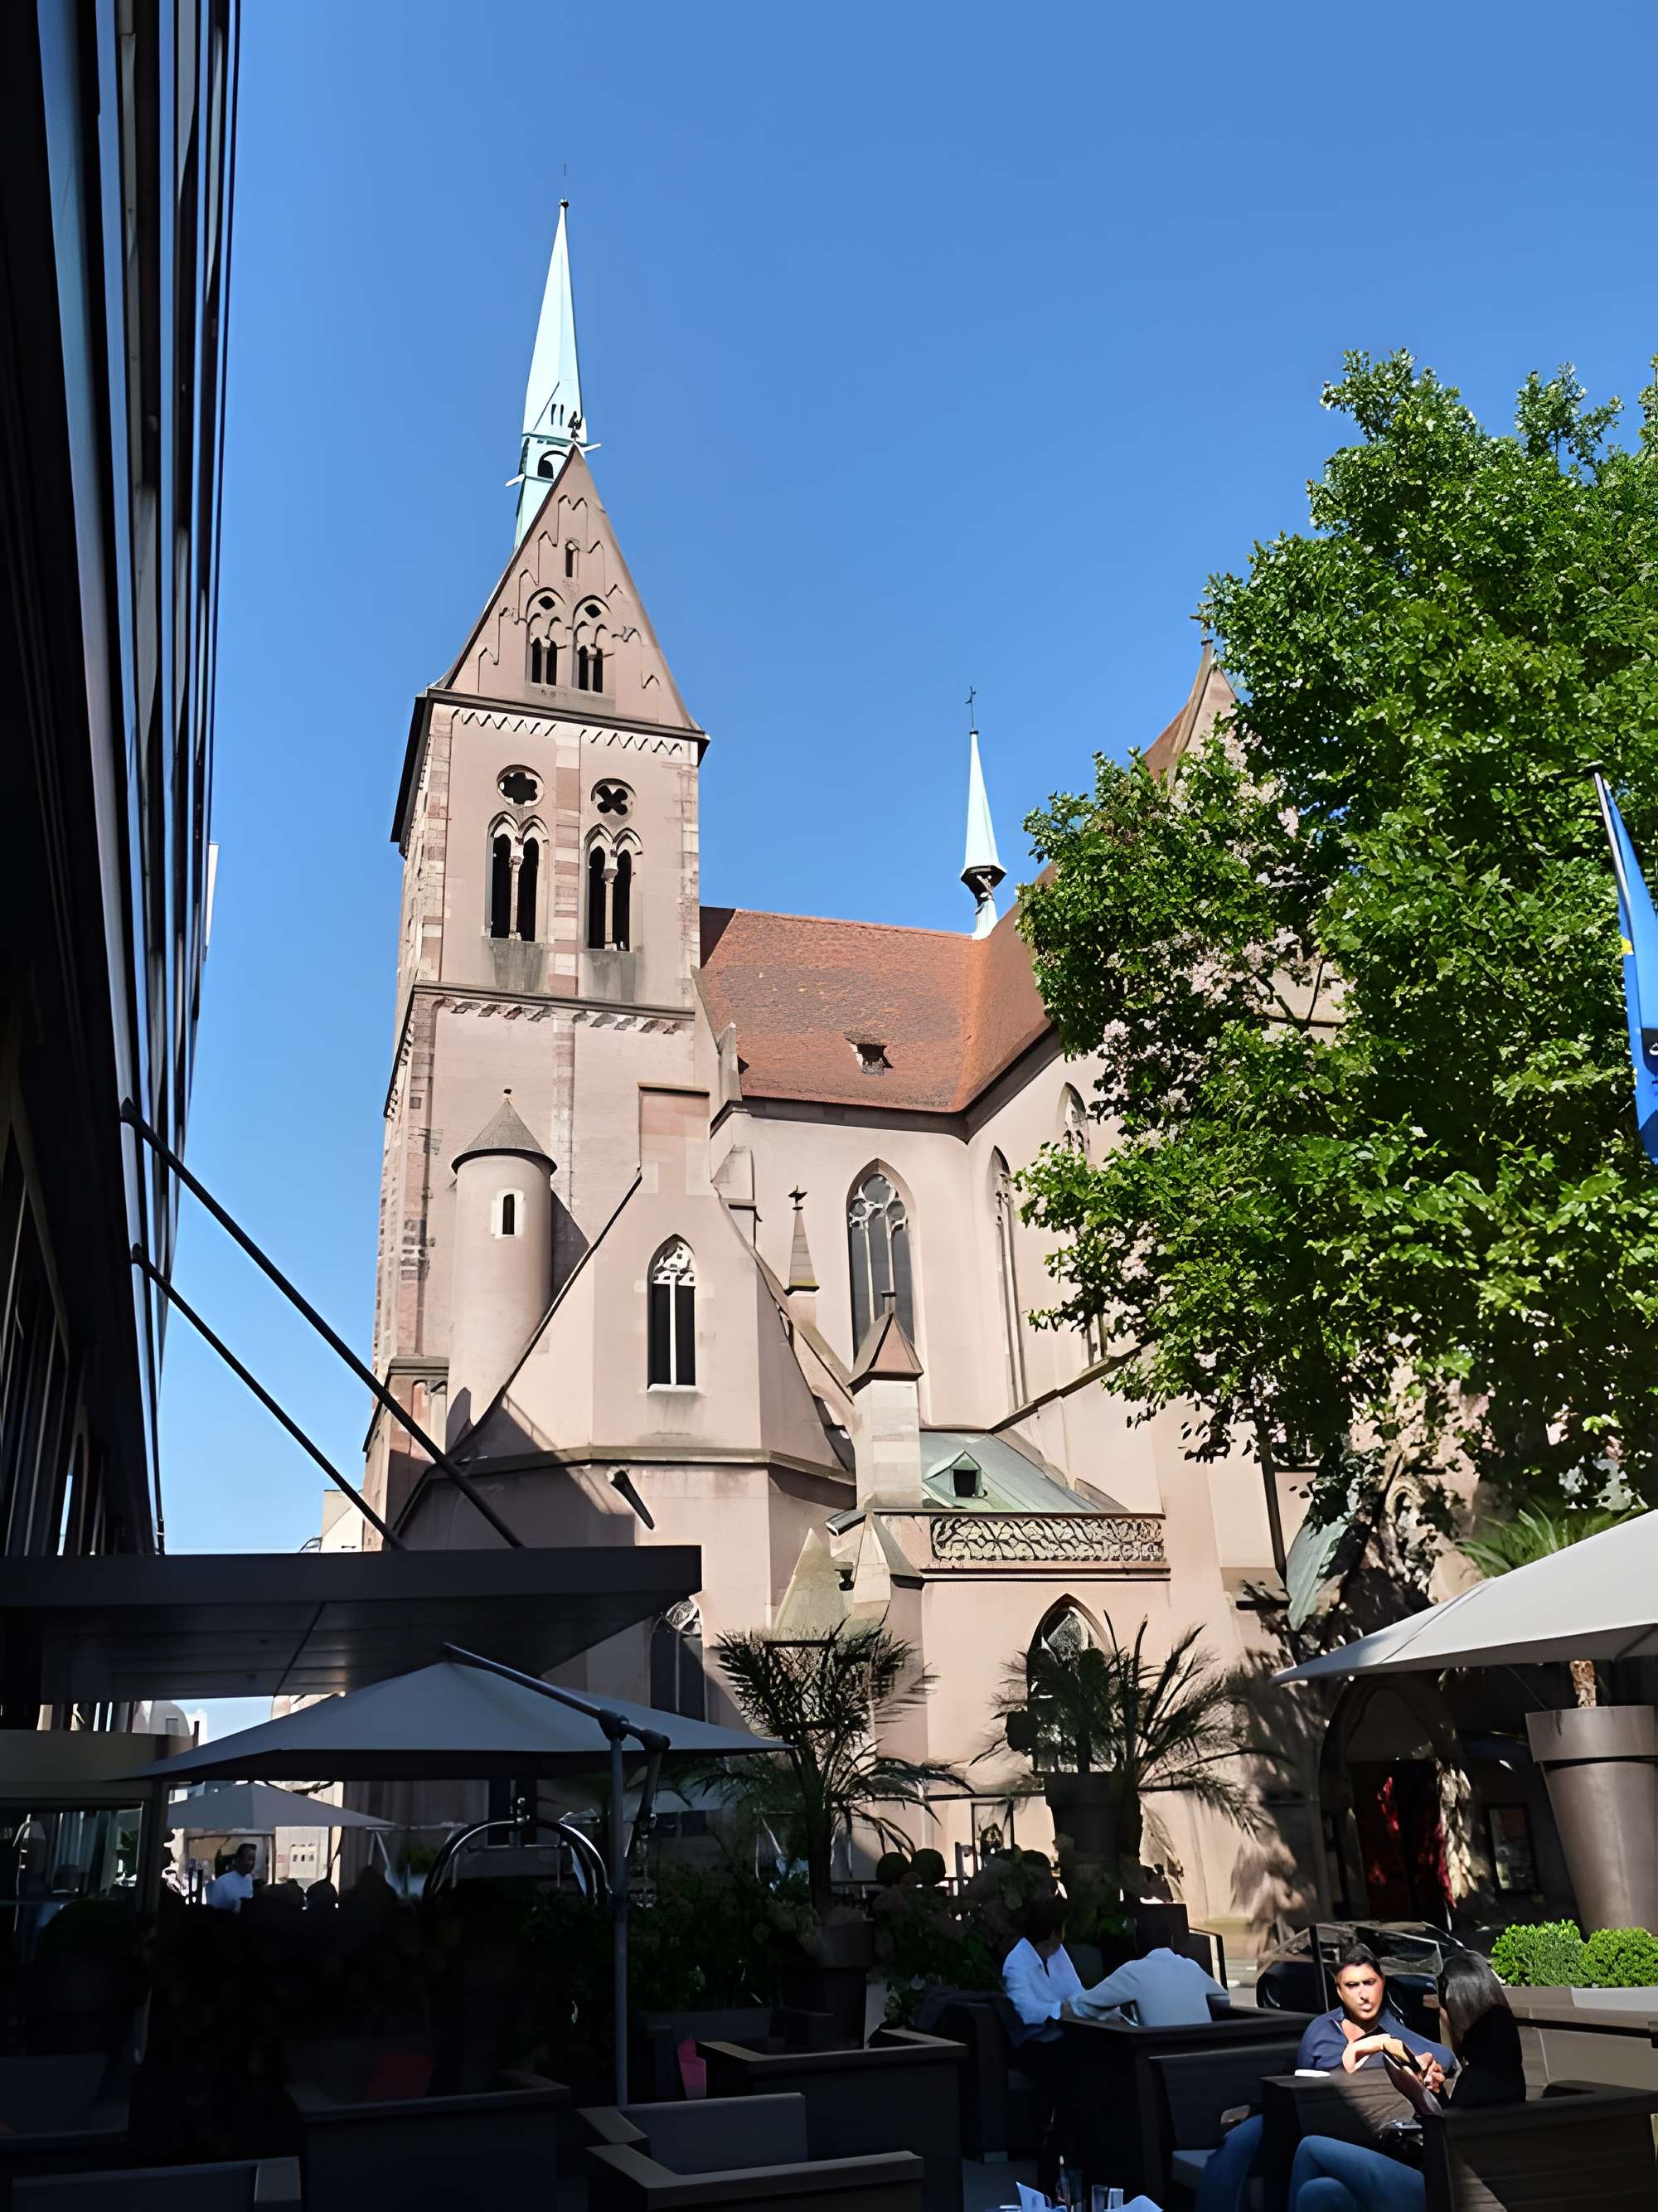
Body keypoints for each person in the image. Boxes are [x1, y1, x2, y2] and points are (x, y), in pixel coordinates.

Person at [1196, 1942, 1456, 2212]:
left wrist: (1423, 2064)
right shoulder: (1321, 2031)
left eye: (1369, 1983)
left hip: (1374, 2142)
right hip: (1313, 2130)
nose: (1363, 1994)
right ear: (1339, 1991)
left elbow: (1444, 2056)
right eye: (1352, 1986)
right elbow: (1302, 2088)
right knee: (1256, 2151)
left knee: (1310, 2166)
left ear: (1382, 1984)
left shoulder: (1395, 2033)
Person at [1289, 1953, 1525, 2210]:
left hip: (1444, 2194)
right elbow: (1455, 2126)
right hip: (1452, 2187)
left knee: (1309, 2147)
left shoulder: (1478, 2082)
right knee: (1321, 2192)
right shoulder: (1501, 2073)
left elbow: (1444, 2155)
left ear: (1457, 2015)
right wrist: (1434, 2095)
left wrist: (1416, 2094)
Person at [1001, 1896, 1088, 2197]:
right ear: (1053, 1934)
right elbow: (1026, 2011)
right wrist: (1059, 2010)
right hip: (1032, 2044)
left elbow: (1076, 1992)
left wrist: (1076, 2008)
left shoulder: (1058, 1954)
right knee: (1070, 2079)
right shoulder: (1016, 1963)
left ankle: (1070, 2157)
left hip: (1063, 2035)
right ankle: (1054, 2165)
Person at [1068, 1918, 1229, 2025]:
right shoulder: (1191, 1967)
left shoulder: (1134, 1971)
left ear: (1136, 1943)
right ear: (1171, 1942)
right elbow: (1223, 1999)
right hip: (1204, 2055)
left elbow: (1083, 2006)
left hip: (1159, 2058)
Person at [204, 1841, 257, 1912]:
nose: (252, 1863)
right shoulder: (222, 1883)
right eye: (249, 1858)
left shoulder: (249, 1879)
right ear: (238, 1859)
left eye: (254, 1859)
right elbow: (214, 1911)